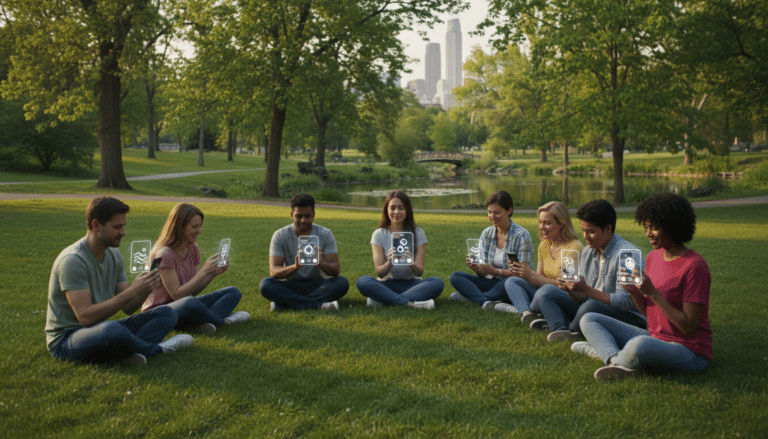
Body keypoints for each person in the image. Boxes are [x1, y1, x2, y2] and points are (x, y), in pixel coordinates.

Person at [577, 193, 712, 379]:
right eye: (646, 227)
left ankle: (609, 355)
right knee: (589, 319)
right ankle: (616, 359)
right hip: (655, 336)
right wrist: (634, 292)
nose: (648, 233)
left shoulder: (694, 266)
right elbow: (649, 315)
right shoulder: (653, 257)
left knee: (639, 345)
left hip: (688, 349)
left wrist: (653, 294)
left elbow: (688, 326)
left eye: (654, 228)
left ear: (672, 226)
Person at [45, 197, 193, 365]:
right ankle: (156, 349)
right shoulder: (73, 260)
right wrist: (133, 291)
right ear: (95, 226)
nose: (123, 232)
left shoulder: (113, 255)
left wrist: (145, 287)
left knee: (167, 313)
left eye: (123, 226)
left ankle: (125, 351)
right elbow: (85, 318)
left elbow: (129, 307)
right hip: (67, 339)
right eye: (117, 227)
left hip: (99, 329)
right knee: (111, 330)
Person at [529, 199, 646, 342]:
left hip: (626, 318)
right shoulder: (587, 251)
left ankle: (571, 329)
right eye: (583, 230)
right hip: (589, 306)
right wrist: (570, 288)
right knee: (547, 291)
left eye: (591, 232)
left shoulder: (628, 255)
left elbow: (625, 303)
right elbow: (582, 298)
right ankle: (561, 329)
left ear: (608, 229)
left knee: (591, 305)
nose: (585, 236)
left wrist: (585, 289)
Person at [141, 203, 250, 333]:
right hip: (160, 311)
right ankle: (221, 321)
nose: (199, 231)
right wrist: (204, 271)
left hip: (184, 304)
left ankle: (197, 323)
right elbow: (176, 295)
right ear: (179, 227)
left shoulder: (193, 248)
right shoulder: (164, 254)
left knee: (232, 292)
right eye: (194, 226)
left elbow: (193, 289)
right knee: (190, 303)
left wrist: (211, 273)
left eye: (200, 226)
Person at [495, 201, 583, 322]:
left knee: (544, 291)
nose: (542, 227)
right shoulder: (544, 245)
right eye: (540, 222)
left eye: (547, 223)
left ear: (562, 224)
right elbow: (538, 279)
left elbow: (568, 286)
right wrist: (524, 274)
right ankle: (527, 313)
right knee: (512, 281)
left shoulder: (574, 247)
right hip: (542, 293)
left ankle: (524, 308)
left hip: (563, 296)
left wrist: (531, 275)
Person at [259, 193, 349, 311]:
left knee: (342, 282)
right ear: (291, 215)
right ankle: (318, 305)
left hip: (317, 283)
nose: (303, 220)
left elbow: (335, 270)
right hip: (290, 284)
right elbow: (274, 272)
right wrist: (295, 267)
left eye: (308, 216)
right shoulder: (280, 235)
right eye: (298, 216)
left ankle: (285, 304)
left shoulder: (325, 233)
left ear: (314, 215)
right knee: (265, 284)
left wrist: (321, 263)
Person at [356, 191, 444, 309]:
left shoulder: (418, 233)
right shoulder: (379, 234)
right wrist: (389, 263)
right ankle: (411, 303)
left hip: (412, 284)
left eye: (401, 208)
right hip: (386, 284)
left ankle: (384, 300)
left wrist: (411, 262)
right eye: (392, 208)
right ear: (386, 211)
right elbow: (380, 273)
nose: (396, 212)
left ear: (407, 210)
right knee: (363, 281)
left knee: (437, 282)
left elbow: (419, 272)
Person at [449, 190, 533, 309]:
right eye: (489, 212)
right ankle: (486, 301)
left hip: (514, 284)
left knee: (509, 282)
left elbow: (521, 273)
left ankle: (475, 298)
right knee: (456, 276)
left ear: (509, 211)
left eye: (497, 212)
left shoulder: (522, 235)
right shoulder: (487, 233)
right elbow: (483, 274)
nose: (492, 216)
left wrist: (496, 272)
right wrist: (477, 268)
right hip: (492, 283)